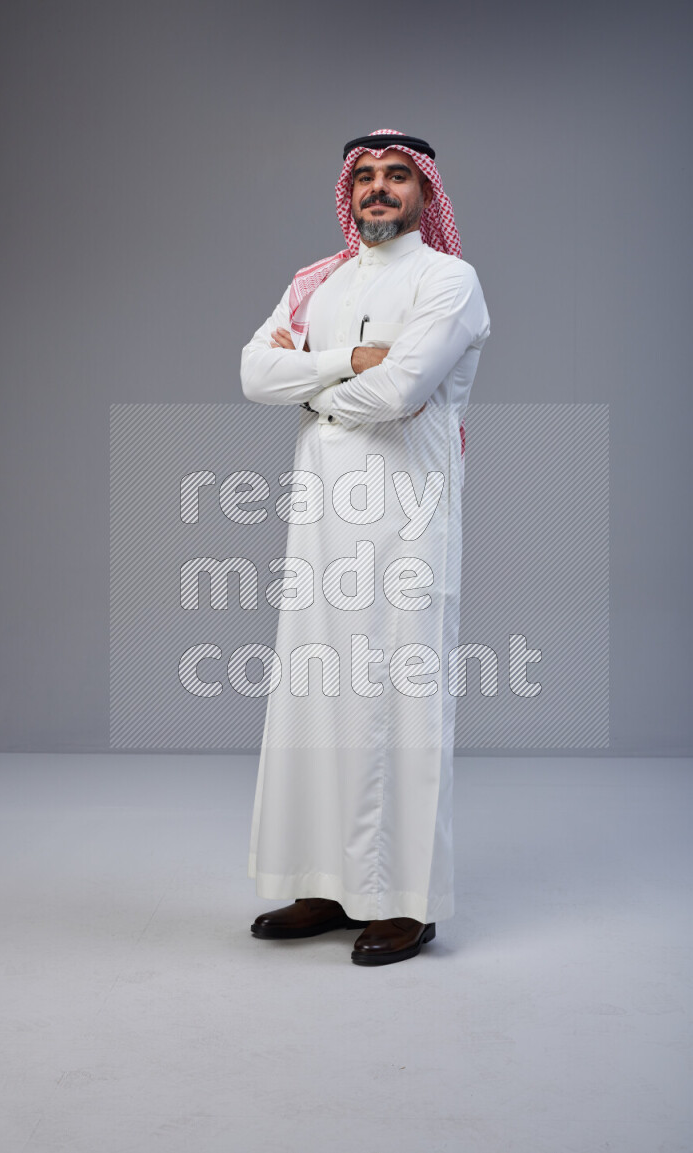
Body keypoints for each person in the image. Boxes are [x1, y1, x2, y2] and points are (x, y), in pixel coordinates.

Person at [240, 129, 490, 965]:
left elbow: (403, 390)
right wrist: (348, 361)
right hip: (321, 519)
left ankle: (405, 903)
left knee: (399, 698)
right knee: (317, 692)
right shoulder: (316, 281)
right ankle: (324, 882)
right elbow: (253, 374)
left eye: (397, 176)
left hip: (408, 516)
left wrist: (313, 386)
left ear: (425, 192)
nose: (378, 189)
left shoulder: (448, 279)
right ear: (348, 194)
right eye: (366, 178)